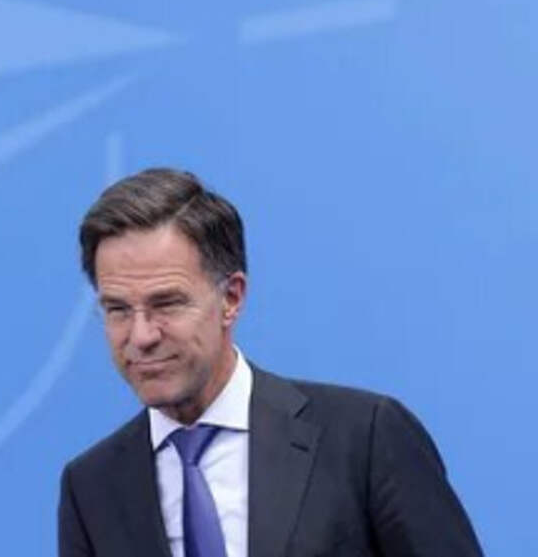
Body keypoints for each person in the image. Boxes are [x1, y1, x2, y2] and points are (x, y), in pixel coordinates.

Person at [58, 168, 482, 557]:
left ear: (231, 298)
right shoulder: (91, 488)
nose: (141, 336)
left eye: (166, 303)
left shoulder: (364, 438)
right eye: (117, 309)